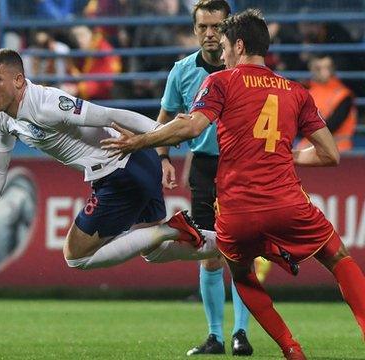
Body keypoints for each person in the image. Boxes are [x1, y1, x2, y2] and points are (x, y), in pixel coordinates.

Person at [101, 9, 365, 360]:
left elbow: (192, 127)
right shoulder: (295, 91)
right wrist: (287, 154)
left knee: (240, 273)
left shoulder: (221, 82)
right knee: (338, 257)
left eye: (225, 46)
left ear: (239, 46)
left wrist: (138, 142)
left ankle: (291, 349)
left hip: (236, 211)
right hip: (287, 203)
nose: (221, 54)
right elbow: (330, 154)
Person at [0, 48, 222, 278]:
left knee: (76, 256)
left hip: (121, 168)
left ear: (18, 80)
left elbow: (109, 115)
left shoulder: (47, 105)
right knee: (154, 251)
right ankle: (229, 243)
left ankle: (170, 229)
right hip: (135, 164)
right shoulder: (2, 117)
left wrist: (158, 132)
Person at [155, 0, 252, 356]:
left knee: (240, 252)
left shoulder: (247, 70)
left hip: (242, 166)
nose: (210, 34)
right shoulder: (182, 71)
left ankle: (241, 333)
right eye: (203, 27)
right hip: (205, 167)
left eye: (216, 26)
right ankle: (216, 336)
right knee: (208, 253)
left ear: (229, 29)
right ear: (194, 29)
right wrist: (163, 156)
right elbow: (164, 118)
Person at [296, 54, 357, 152]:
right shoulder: (307, 91)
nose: (323, 72)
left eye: (327, 67)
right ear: (311, 69)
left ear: (333, 69)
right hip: (308, 148)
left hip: (338, 150)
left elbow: (331, 126)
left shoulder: (343, 95)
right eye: (318, 68)